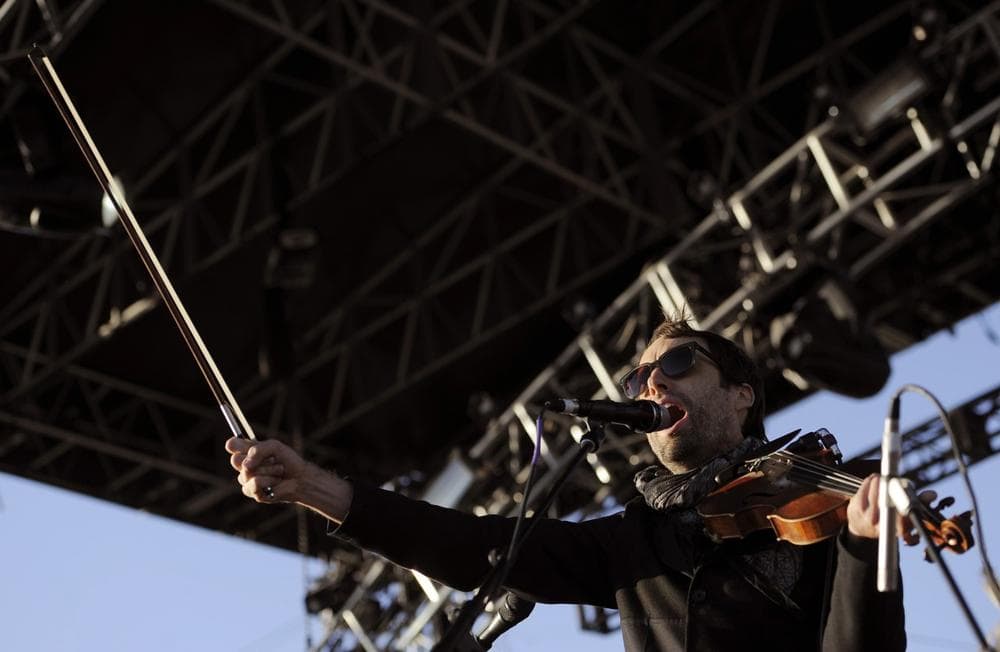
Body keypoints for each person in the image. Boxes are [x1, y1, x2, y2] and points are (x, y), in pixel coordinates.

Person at [226, 315, 916, 651]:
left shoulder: (817, 500)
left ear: (741, 395)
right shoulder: (632, 541)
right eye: (640, 377)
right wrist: (313, 486)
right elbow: (474, 547)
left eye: (679, 362)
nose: (653, 381)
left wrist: (863, 550)